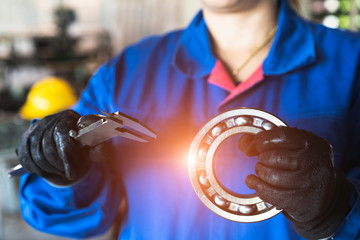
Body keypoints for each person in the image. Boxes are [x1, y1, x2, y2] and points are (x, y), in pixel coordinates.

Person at [17, 0, 360, 239]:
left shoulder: (352, 63)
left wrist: (336, 209)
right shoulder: (125, 73)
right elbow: (60, 216)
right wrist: (61, 171)